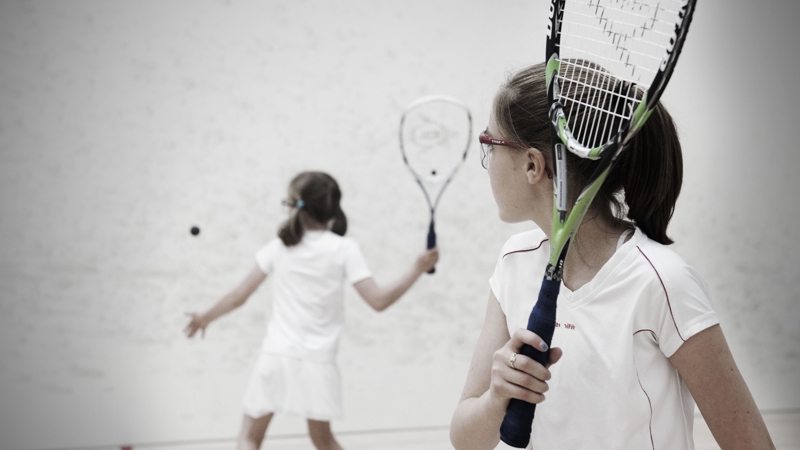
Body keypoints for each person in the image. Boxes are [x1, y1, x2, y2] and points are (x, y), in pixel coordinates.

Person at [450, 63, 775, 449]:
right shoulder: (513, 261)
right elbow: (465, 439)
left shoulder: (662, 282)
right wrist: (496, 397)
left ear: (533, 165)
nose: (486, 158)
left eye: (491, 143)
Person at [184, 171, 439, 450]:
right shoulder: (344, 249)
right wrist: (416, 269)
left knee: (249, 438)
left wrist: (204, 317)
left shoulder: (278, 247)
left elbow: (238, 297)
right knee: (323, 441)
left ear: (294, 206)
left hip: (276, 358)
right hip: (318, 363)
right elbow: (378, 301)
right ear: (332, 208)